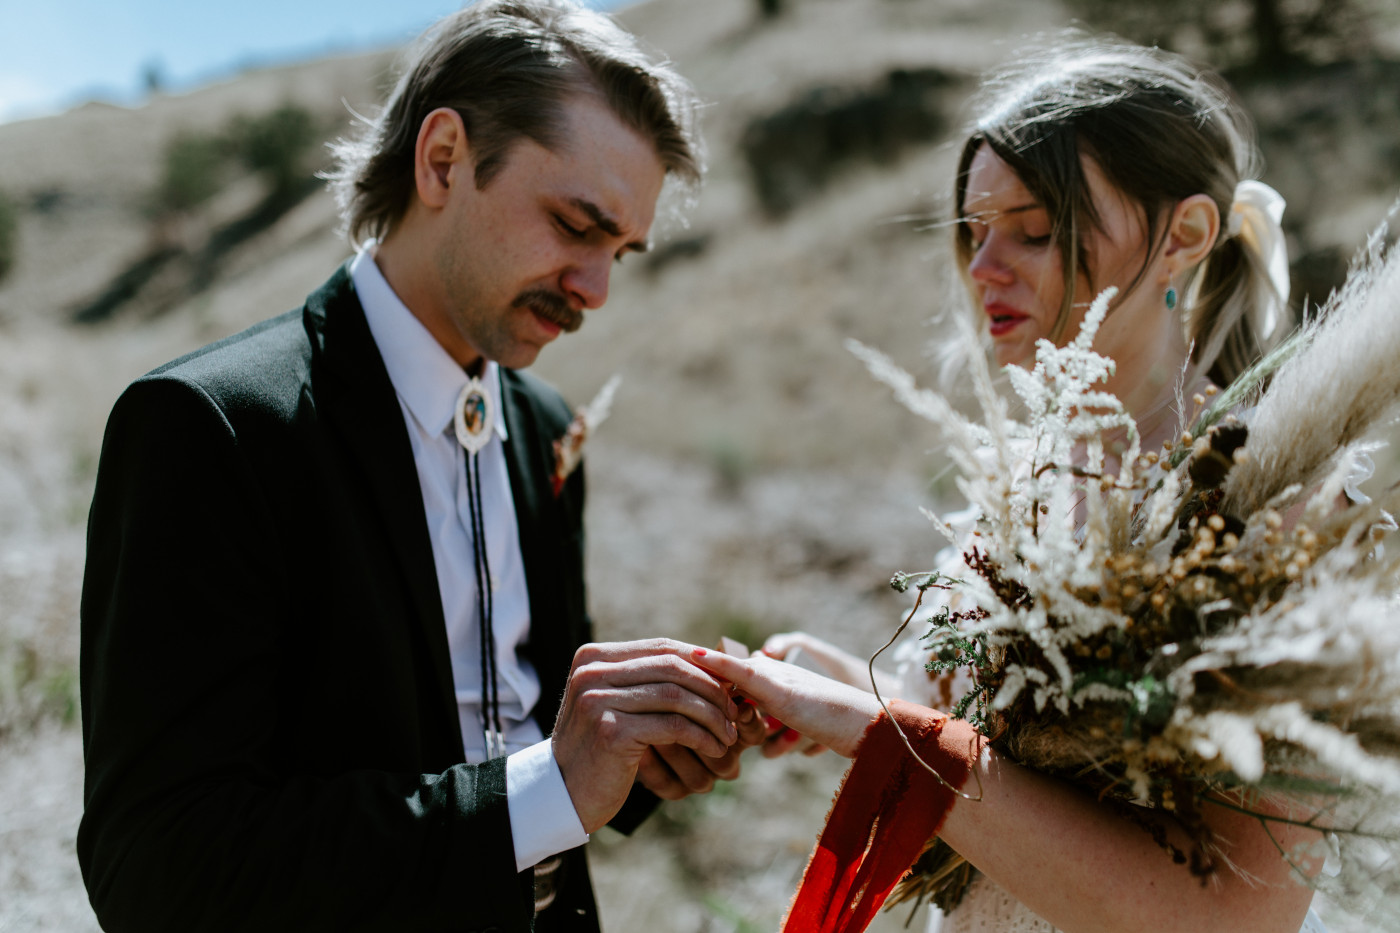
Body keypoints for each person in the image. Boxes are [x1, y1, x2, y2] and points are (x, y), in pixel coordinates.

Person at [77, 3, 762, 931]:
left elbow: (527, 725)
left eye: (620, 251)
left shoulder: (548, 425)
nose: (597, 289)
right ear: (443, 159)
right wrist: (543, 786)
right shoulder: (213, 428)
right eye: (574, 224)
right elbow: (159, 867)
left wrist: (647, 746)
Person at [745, 36, 1328, 933]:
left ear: (1185, 236)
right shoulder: (1022, 472)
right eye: (975, 232)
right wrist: (826, 686)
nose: (984, 269)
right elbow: (974, 748)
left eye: (1034, 228)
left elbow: (1239, 919)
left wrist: (880, 734)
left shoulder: (1262, 507)